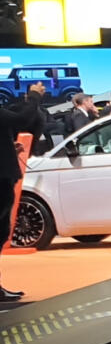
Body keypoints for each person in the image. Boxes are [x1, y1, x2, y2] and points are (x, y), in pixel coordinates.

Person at [0, 92, 42, 300]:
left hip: (4, 178)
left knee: (1, 231)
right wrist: (33, 97)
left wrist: (9, 149)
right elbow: (21, 119)